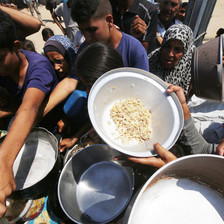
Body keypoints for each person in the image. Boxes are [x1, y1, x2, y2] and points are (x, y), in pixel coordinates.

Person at [0, 9, 59, 217]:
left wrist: (3, 161)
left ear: (16, 46)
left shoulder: (39, 69)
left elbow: (29, 108)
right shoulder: (4, 70)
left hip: (48, 133)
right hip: (19, 135)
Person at [71, 0, 149, 71]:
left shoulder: (134, 50)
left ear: (109, 20)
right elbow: (71, 80)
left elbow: (141, 84)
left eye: (92, 30)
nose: (87, 38)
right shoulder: (85, 49)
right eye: (82, 31)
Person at [148, 23, 195, 97]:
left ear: (185, 52)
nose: (170, 54)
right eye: (167, 46)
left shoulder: (193, 72)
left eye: (177, 49)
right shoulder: (152, 60)